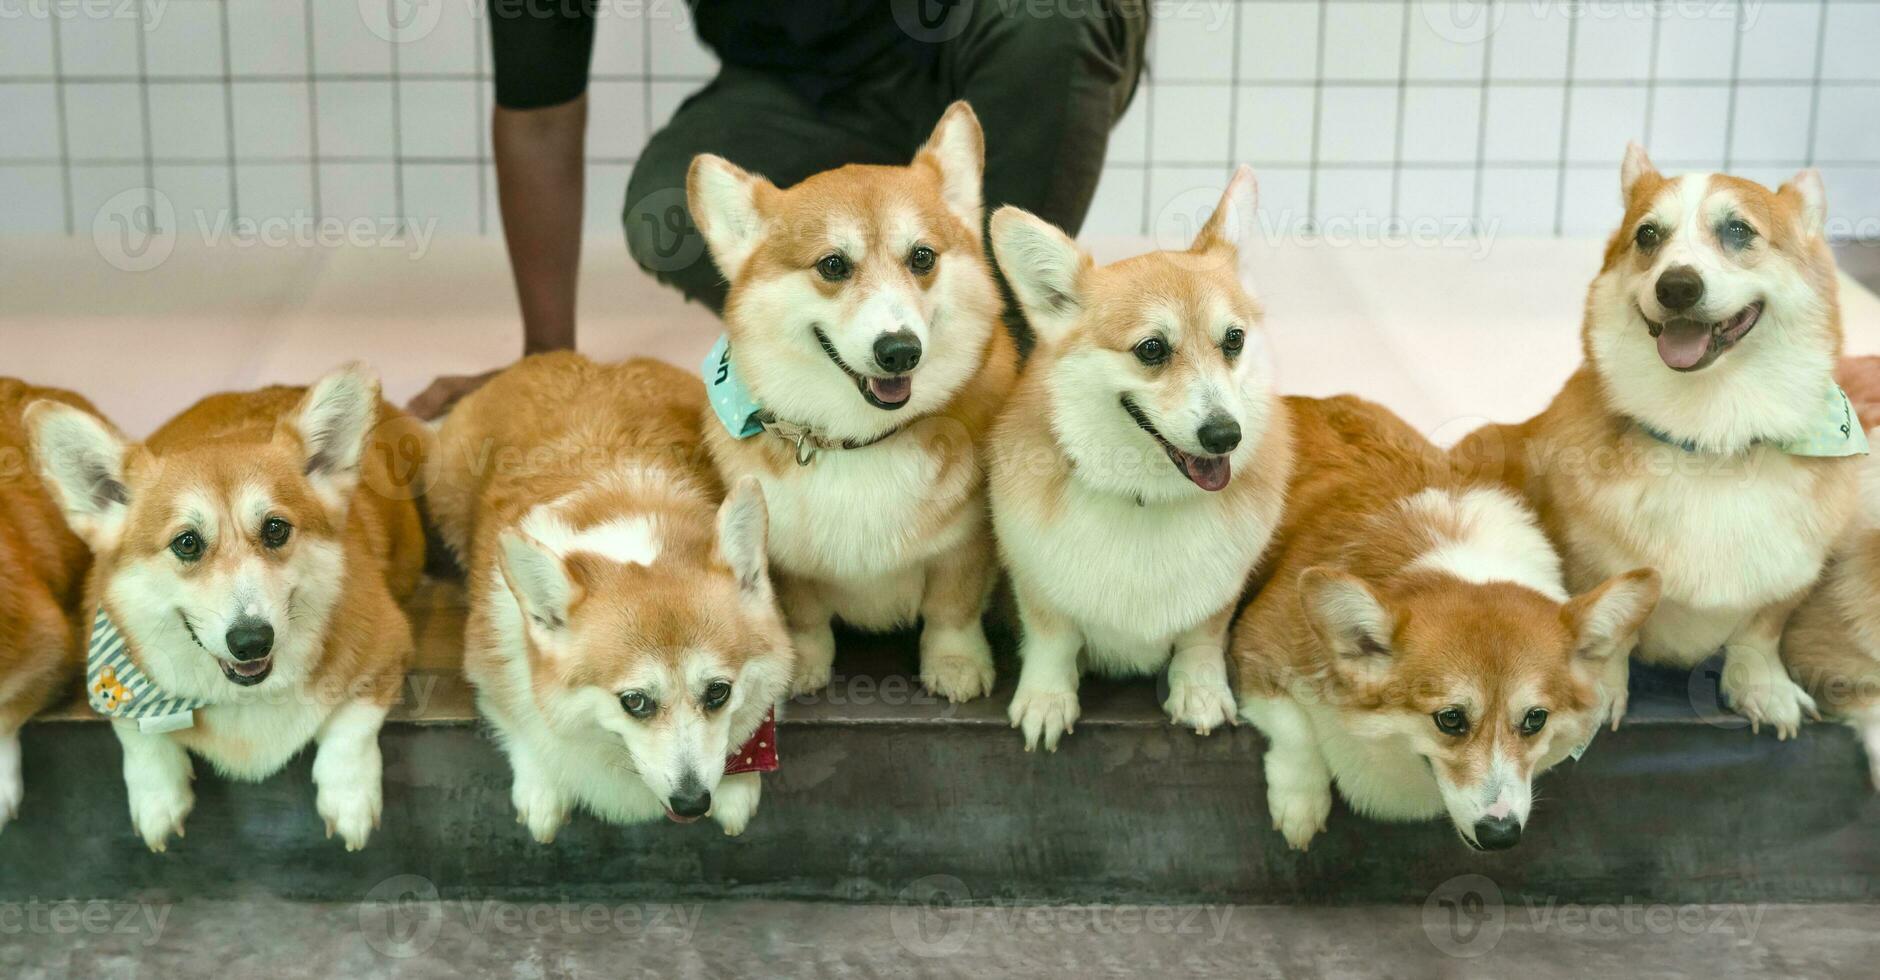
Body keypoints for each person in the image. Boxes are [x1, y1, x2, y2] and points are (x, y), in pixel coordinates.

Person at [407, 0, 1149, 419]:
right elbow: (539, 116)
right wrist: (547, 366)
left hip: (987, 41)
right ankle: (866, 363)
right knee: (667, 210)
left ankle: (1001, 397)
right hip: (806, 85)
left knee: (1056, 19)